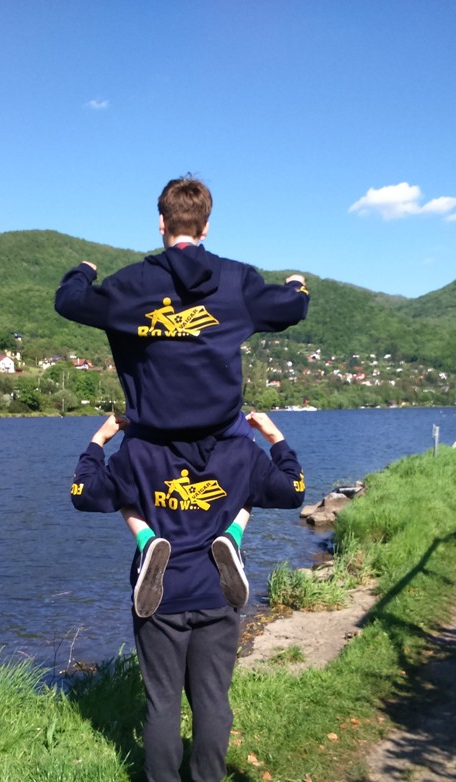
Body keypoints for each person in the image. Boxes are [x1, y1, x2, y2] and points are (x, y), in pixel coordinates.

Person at [56, 175, 310, 615]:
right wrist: (295, 285)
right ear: (205, 226)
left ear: (162, 223)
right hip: (223, 436)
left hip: (150, 439)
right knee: (249, 477)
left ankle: (147, 541)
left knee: (123, 487)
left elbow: (69, 300)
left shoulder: (130, 285)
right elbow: (292, 308)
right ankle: (230, 537)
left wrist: (84, 270)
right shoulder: (236, 281)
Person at [70, 410, 306, 782]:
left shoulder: (139, 453)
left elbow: (82, 494)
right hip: (217, 591)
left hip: (160, 598)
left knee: (162, 700)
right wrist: (274, 436)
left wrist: (99, 441)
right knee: (212, 698)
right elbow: (294, 491)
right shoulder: (241, 452)